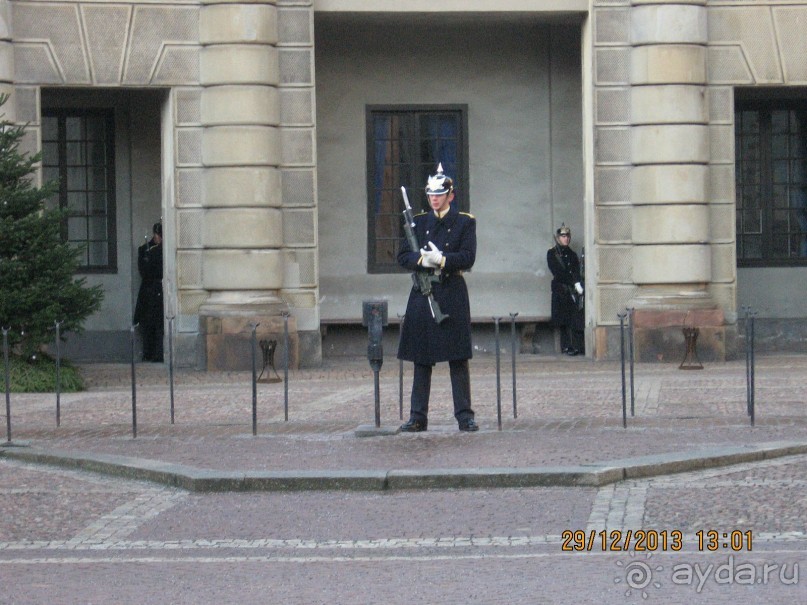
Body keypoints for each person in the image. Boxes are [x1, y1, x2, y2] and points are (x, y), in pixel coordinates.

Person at [397, 164, 479, 432]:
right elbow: (402, 256)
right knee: (422, 358)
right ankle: (417, 416)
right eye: (431, 194)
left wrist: (443, 259)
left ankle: (464, 415)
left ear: (450, 196)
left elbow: (468, 257)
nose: (434, 198)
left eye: (439, 194)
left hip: (451, 290)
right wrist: (422, 259)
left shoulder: (465, 222)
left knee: (457, 358)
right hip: (423, 293)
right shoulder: (418, 222)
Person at [547, 223, 584, 356]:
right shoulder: (552, 253)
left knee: (573, 320)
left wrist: (578, 283)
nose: (566, 239)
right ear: (558, 238)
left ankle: (575, 345)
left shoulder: (572, 254)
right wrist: (573, 282)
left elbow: (575, 271)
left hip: (571, 292)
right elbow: (557, 272)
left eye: (567, 236)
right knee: (563, 321)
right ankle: (566, 346)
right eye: (563, 236)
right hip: (561, 290)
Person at [134, 222, 164, 362]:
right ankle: (149, 353)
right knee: (147, 324)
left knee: (158, 324)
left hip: (158, 289)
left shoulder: (160, 250)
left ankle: (157, 353)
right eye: (157, 235)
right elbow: (144, 272)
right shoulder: (145, 250)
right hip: (149, 290)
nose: (157, 238)